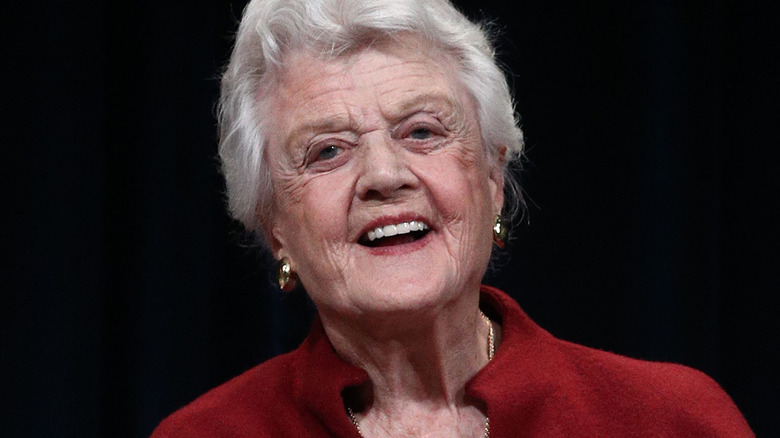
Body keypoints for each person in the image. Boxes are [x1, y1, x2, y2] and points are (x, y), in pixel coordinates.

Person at [152, 0, 753, 436]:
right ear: (274, 225)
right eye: (327, 151)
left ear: (493, 180)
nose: (385, 176)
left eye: (422, 131)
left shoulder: (674, 420)